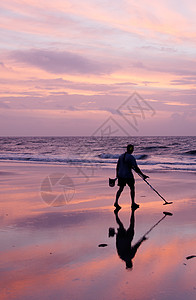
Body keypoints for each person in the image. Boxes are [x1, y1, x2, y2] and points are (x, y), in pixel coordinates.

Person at [114, 144, 148, 210]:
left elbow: (117, 166)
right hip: (128, 175)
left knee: (121, 189)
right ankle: (133, 203)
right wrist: (143, 175)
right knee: (132, 188)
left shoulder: (121, 156)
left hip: (120, 175)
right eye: (132, 149)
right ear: (132, 149)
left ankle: (116, 202)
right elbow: (136, 167)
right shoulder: (131, 157)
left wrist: (117, 175)